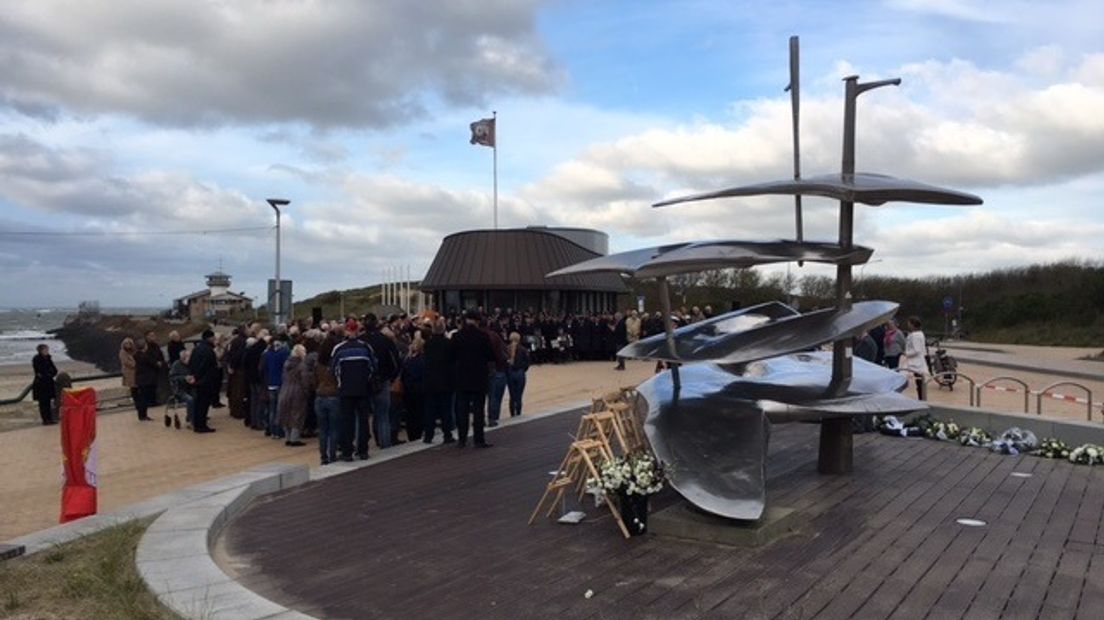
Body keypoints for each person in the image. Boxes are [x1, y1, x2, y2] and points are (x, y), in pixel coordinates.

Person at [449, 309, 495, 449]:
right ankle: (478, 440)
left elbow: (451, 357)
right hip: (479, 377)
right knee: (478, 411)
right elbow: (490, 356)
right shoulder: (483, 336)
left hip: (462, 378)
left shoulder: (457, 336)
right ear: (477, 321)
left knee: (462, 410)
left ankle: (462, 439)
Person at [332, 319, 376, 461]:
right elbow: (373, 368)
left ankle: (347, 452)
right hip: (363, 389)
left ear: (346, 330)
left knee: (347, 422)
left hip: (345, 390)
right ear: (357, 330)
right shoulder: (366, 348)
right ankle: (363, 451)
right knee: (363, 422)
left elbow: (334, 370)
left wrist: (341, 383)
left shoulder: (339, 349)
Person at [361, 314, 400, 448]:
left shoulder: (360, 342)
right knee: (383, 415)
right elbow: (396, 361)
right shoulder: (385, 340)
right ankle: (385, 444)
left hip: (364, 382)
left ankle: (363, 445)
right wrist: (391, 377)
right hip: (382, 380)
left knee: (364, 416)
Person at [422, 318, 455, 444]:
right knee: (446, 410)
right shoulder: (448, 344)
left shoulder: (428, 344)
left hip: (430, 381)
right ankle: (447, 434)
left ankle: (428, 435)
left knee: (429, 410)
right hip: (445, 381)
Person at [313, 335, 341, 465]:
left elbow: (314, 380)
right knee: (334, 428)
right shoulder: (335, 362)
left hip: (320, 396)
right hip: (334, 395)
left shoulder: (318, 364)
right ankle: (333, 454)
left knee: (323, 429)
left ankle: (323, 456)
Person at [186, 329, 220, 433]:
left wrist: (194, 376)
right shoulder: (209, 350)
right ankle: (201, 426)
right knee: (203, 404)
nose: (214, 340)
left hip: (198, 381)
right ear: (209, 338)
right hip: (206, 381)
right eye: (213, 338)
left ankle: (197, 423)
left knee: (198, 403)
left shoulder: (196, 349)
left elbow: (191, 363)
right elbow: (208, 366)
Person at [277, 344, 311, 447]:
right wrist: (307, 391)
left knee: (285, 413)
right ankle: (294, 438)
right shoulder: (302, 365)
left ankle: (287, 437)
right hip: (297, 391)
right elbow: (305, 381)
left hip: (285, 389)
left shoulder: (286, 363)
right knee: (297, 414)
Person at [262, 335, 290, 438]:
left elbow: (263, 369)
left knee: (271, 409)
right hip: (280, 383)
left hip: (270, 384)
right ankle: (278, 430)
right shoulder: (284, 354)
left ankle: (271, 430)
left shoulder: (267, 354)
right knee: (279, 409)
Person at [400, 338, 426, 442]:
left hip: (409, 389)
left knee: (411, 414)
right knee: (418, 413)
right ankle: (417, 433)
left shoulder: (407, 360)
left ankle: (412, 434)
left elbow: (403, 374)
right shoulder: (423, 359)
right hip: (419, 389)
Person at [119, 337, 148, 421]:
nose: (128, 345)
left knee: (139, 391)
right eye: (126, 344)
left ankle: (141, 408)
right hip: (129, 373)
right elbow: (126, 362)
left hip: (137, 373)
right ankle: (137, 405)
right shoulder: (122, 352)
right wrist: (135, 364)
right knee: (134, 390)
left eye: (129, 344)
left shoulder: (133, 352)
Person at [484, 323, 508, 427]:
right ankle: (491, 418)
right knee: (492, 395)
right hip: (493, 368)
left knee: (478, 397)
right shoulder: (494, 336)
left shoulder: (474, 335)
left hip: (477, 369)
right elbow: (501, 354)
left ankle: (479, 419)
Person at [244, 331, 268, 431]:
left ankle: (253, 421)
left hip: (250, 378)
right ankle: (259, 422)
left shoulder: (250, 350)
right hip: (258, 378)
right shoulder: (262, 351)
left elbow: (245, 363)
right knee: (260, 401)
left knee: (253, 400)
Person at [32, 344, 58, 425]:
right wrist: (47, 374)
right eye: (45, 350)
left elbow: (54, 369)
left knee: (48, 401)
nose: (47, 351)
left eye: (47, 349)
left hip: (49, 382)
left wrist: (50, 374)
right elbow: (39, 370)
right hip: (40, 383)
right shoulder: (37, 359)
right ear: (41, 350)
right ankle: (45, 419)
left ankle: (50, 418)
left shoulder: (48, 358)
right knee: (43, 402)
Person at [168, 349, 194, 429]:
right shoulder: (176, 365)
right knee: (190, 399)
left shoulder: (191, 364)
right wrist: (184, 378)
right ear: (183, 358)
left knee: (200, 396)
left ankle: (197, 417)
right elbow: (172, 377)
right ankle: (190, 420)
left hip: (191, 387)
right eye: (188, 357)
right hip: (180, 389)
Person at [904, 316, 929, 399]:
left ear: (912, 324)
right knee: (920, 382)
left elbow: (916, 350)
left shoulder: (915, 335)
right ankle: (921, 398)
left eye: (909, 323)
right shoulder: (920, 334)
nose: (908, 325)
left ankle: (921, 398)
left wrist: (906, 353)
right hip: (919, 362)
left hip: (915, 363)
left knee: (919, 382)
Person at [506, 332, 529, 418]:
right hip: (520, 372)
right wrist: (523, 369)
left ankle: (512, 413)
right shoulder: (523, 349)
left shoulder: (507, 349)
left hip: (510, 372)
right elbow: (527, 362)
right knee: (519, 395)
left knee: (512, 395)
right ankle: (518, 413)